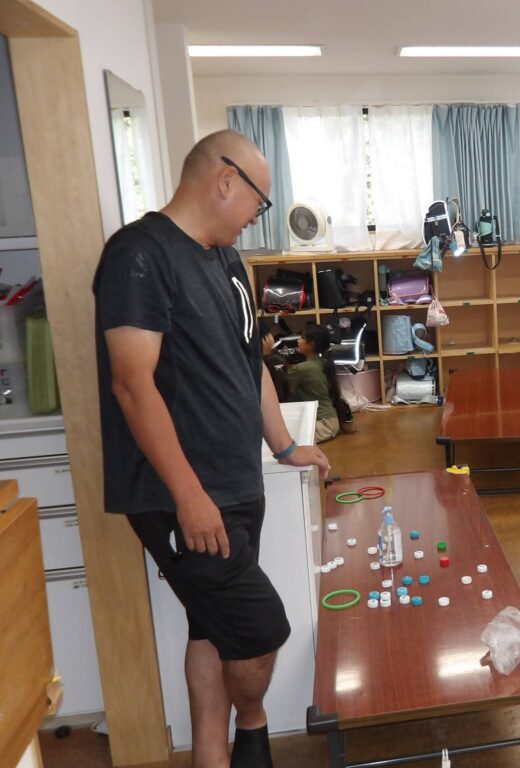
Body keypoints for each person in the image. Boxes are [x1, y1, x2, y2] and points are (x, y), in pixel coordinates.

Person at [93, 129, 330, 768]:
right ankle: (252, 729)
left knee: (212, 625)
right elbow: (132, 383)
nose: (258, 215)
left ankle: (209, 756)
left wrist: (283, 445)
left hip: (234, 480)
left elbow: (250, 362)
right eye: (259, 200)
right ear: (226, 181)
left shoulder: (225, 259)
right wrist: (189, 495)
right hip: (183, 497)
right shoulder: (139, 256)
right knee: (258, 629)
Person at [287, 323, 356, 441]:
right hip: (331, 422)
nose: (298, 340)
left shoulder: (302, 369)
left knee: (279, 439)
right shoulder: (323, 363)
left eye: (302, 337)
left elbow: (280, 386)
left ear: (312, 344)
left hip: (322, 424)